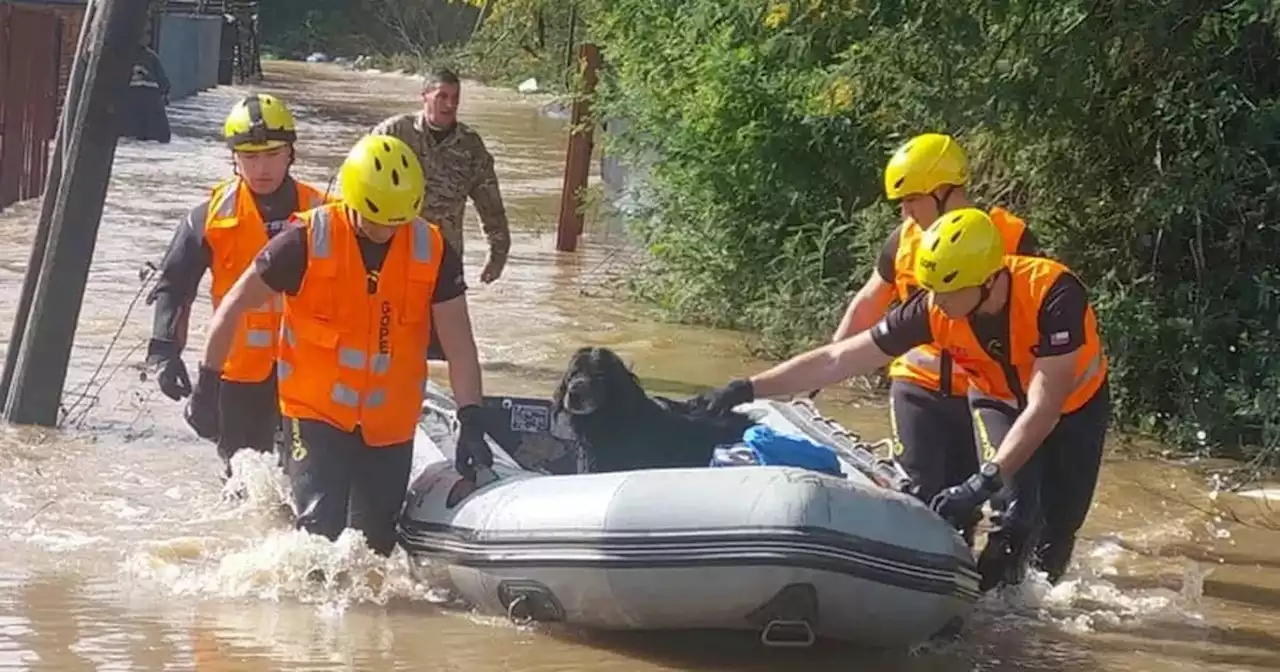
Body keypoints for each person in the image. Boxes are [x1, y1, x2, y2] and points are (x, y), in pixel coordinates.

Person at [698, 208, 1110, 592]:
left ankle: (1043, 615)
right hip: (996, 397)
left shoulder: (1053, 294)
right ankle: (988, 614)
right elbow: (838, 359)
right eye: (931, 291)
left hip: (1074, 408)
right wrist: (747, 388)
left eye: (947, 292)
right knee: (1015, 516)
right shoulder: (934, 306)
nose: (937, 303)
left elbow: (1044, 407)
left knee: (1060, 523)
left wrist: (979, 481)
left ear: (987, 281)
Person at [187, 134, 497, 556]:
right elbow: (234, 307)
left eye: (398, 221)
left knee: (374, 551)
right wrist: (208, 384)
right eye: (377, 220)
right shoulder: (302, 242)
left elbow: (460, 344)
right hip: (316, 414)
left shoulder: (432, 250)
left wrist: (472, 419)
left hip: (390, 424)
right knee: (320, 533)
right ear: (352, 199)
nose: (388, 231)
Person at [830, 133, 1042, 516]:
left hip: (985, 395)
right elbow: (869, 303)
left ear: (945, 191)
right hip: (917, 389)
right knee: (916, 495)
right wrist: (823, 370)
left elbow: (1036, 317)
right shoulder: (903, 241)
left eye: (912, 200)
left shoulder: (1010, 237)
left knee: (981, 507)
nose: (906, 212)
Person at [145, 93, 328, 479]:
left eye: (272, 154)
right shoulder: (208, 217)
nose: (262, 168)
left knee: (308, 482)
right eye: (250, 157)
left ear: (290, 153)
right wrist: (164, 352)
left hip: (309, 373)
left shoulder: (324, 213)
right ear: (235, 159)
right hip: (237, 376)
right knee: (244, 483)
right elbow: (175, 286)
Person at [371, 67, 512, 284]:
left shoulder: (470, 145)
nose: (450, 104)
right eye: (442, 97)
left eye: (455, 97)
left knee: (448, 318)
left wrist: (497, 256)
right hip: (395, 251)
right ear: (424, 97)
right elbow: (358, 183)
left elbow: (491, 206)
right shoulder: (394, 134)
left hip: (445, 256)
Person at [122, 36, 172, 143]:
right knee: (156, 135)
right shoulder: (151, 56)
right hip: (148, 98)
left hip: (135, 97)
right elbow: (163, 81)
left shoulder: (124, 55)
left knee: (131, 133)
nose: (147, 37)